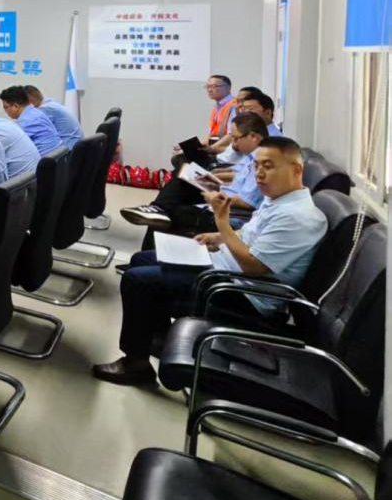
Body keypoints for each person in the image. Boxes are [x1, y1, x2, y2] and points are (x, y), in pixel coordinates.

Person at [93, 136, 326, 386]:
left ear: (296, 170)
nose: (259, 174)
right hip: (224, 268)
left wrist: (222, 224)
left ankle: (136, 364)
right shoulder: (279, 199)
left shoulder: (298, 217)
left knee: (137, 281)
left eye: (268, 166)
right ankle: (158, 339)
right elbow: (249, 235)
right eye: (257, 165)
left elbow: (253, 266)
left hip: (241, 293)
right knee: (141, 259)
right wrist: (218, 237)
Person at [121, 113, 269, 233]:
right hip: (222, 194)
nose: (234, 144)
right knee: (184, 176)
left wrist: (215, 194)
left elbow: (247, 202)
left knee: (172, 209)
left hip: (228, 208)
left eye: (236, 139)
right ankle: (157, 209)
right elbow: (237, 177)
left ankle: (157, 209)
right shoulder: (251, 158)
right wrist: (214, 180)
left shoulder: (261, 161)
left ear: (253, 136)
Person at [0, 85, 62, 156]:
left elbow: (9, 146)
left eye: (5, 107)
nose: (5, 111)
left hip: (45, 159)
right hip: (57, 156)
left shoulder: (24, 122)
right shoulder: (36, 112)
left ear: (16, 106)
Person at [24, 85, 84, 149]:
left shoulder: (45, 109)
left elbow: (30, 131)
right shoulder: (51, 103)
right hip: (76, 145)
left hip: (70, 149)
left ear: (30, 100)